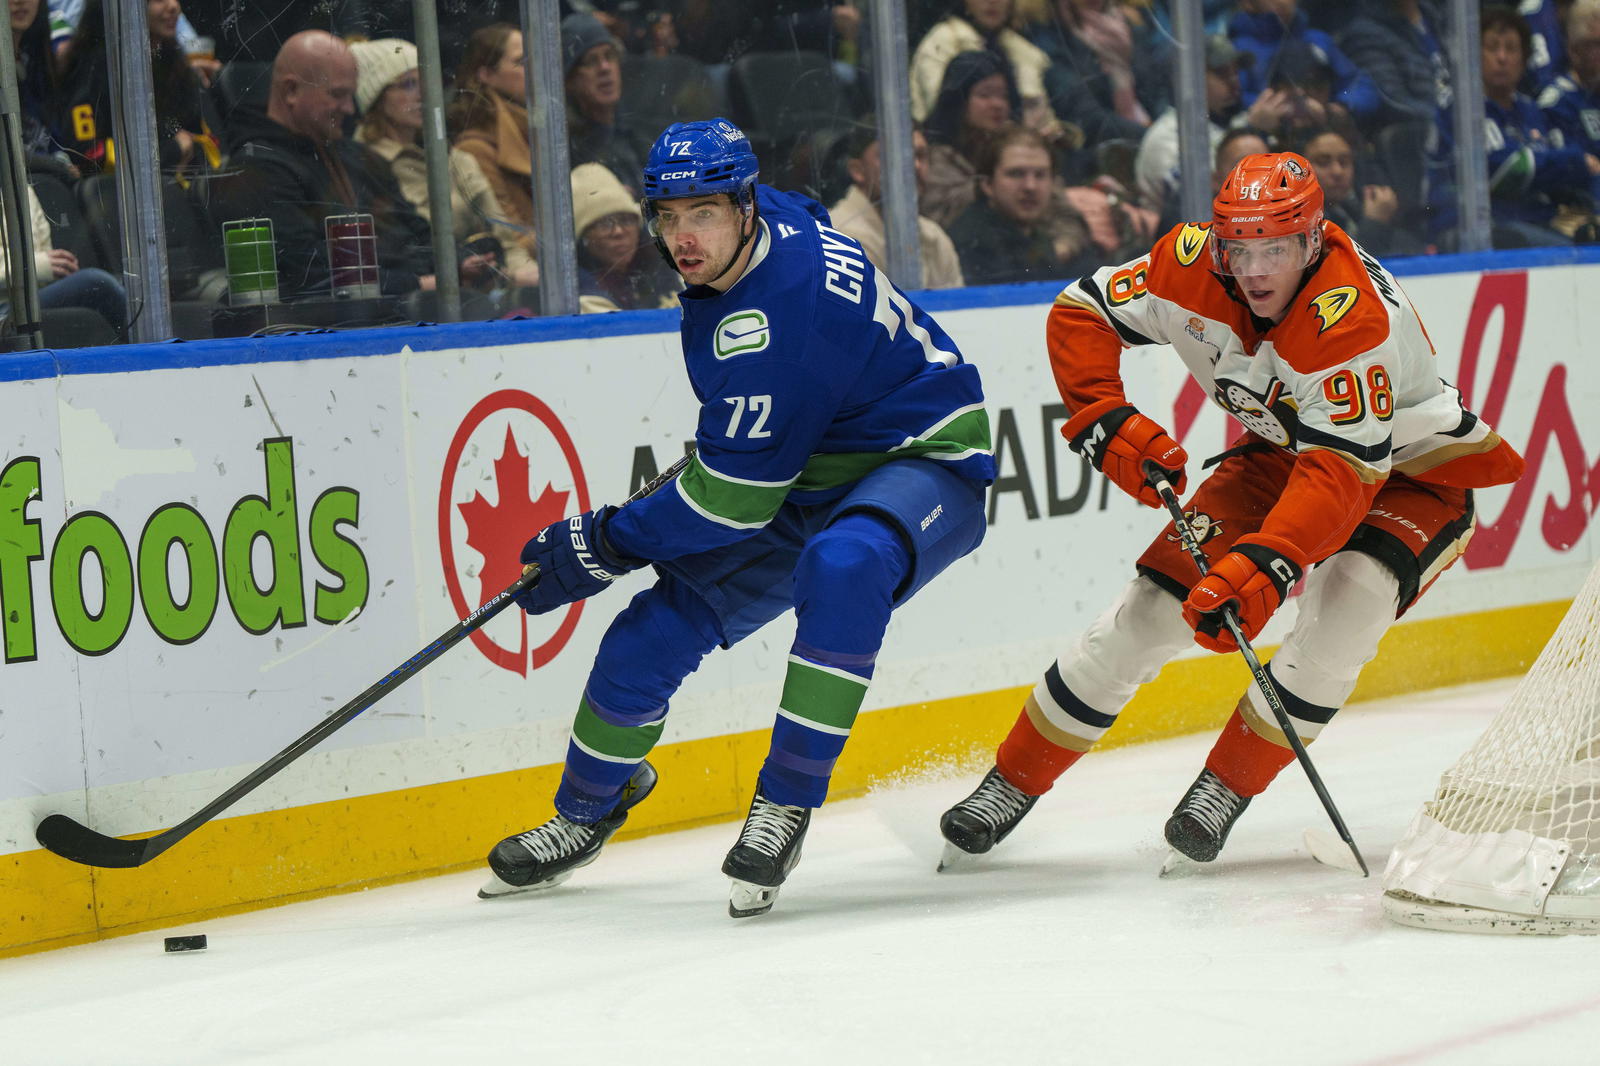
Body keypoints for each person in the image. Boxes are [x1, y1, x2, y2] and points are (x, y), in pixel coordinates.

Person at [937, 151, 1523, 869]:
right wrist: (1102, 413)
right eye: (1239, 248)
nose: (1254, 269)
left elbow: (1342, 477)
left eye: (1274, 248)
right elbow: (1082, 310)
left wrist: (1265, 564)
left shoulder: (1350, 322)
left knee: (1349, 605)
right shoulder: (1187, 265)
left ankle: (1223, 789)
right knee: (1150, 614)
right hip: (1285, 457)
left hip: (1413, 474)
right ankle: (1008, 784)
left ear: (1312, 239)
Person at [479, 118, 996, 918]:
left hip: (924, 456)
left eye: (704, 214)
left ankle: (785, 801)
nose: (683, 237)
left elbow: (733, 501)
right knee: (648, 635)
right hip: (805, 466)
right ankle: (582, 813)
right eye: (668, 215)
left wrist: (603, 541)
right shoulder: (776, 216)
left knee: (844, 565)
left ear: (746, 207)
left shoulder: (779, 323)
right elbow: (749, 464)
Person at [210, 30, 437, 301]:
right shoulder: (255, 172)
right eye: (338, 94)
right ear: (291, 90)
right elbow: (307, 275)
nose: (350, 109)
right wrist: (417, 284)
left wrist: (457, 264)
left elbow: (417, 231)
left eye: (351, 96)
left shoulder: (360, 158)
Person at [351, 37, 539, 295]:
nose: (422, 94)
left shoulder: (455, 159)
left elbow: (506, 239)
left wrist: (525, 275)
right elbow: (414, 249)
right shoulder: (368, 167)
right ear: (376, 97)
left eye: (425, 83)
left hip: (495, 285)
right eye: (408, 84)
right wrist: (511, 278)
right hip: (436, 297)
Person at [1427, 6, 1600, 248]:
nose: (1502, 57)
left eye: (1511, 48)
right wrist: (1577, 162)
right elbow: (1504, 170)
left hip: (1530, 220)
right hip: (1476, 227)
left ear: (1524, 59)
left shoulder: (1530, 110)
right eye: (1492, 47)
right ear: (1474, 56)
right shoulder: (1460, 108)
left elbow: (1552, 172)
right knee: (1556, 246)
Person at [56, 0, 221, 178]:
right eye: (158, 0)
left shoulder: (174, 62)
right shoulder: (93, 68)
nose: (173, 6)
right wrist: (171, 151)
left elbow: (210, 144)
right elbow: (87, 155)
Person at [946, 123, 1101, 283]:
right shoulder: (970, 244)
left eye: (1040, 175)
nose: (1030, 186)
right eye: (1016, 174)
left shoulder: (1042, 230)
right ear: (988, 184)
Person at [827, 117, 966, 290]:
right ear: (858, 170)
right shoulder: (838, 235)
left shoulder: (935, 237)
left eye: (920, 155)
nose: (914, 165)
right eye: (894, 155)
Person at [448, 24, 538, 258]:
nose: (535, 70)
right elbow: (513, 238)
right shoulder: (476, 149)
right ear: (486, 74)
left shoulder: (535, 131)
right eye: (521, 62)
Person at [1, 183, 127, 332]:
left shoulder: (23, 189)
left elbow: (44, 248)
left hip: (30, 296)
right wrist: (39, 265)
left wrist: (56, 267)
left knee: (124, 284)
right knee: (96, 282)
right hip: (5, 306)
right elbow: (42, 263)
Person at [1296, 125, 1422, 256]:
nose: (1337, 171)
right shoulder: (1297, 221)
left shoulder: (1353, 209)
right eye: (1323, 162)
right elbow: (1341, 267)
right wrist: (1375, 224)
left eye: (1344, 162)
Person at [570, 161, 678, 312]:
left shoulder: (668, 269)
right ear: (584, 237)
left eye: (626, 220)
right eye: (605, 224)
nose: (618, 231)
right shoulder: (579, 296)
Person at [562, 12, 651, 194]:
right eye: (591, 61)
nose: (604, 68)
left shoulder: (634, 130)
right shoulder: (569, 151)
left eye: (609, 56)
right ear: (570, 80)